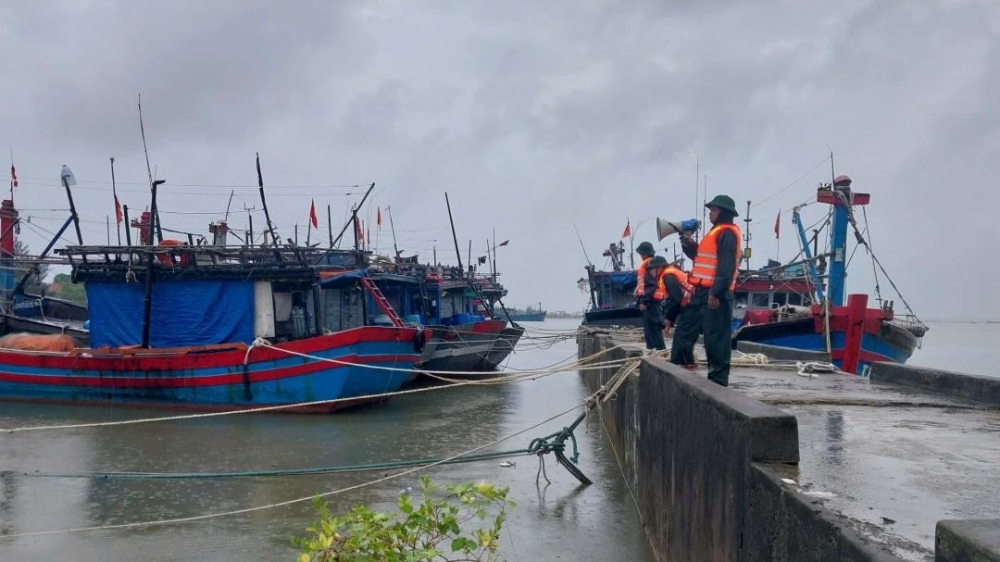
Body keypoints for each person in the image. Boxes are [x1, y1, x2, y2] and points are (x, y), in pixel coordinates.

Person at [670, 195, 742, 386]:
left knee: (716, 338)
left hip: (715, 294)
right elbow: (700, 257)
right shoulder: (714, 233)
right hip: (702, 292)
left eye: (714, 210)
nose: (710, 213)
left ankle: (718, 381)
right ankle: (680, 363)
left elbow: (726, 267)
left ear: (724, 213)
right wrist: (687, 243)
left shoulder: (727, 233)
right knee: (686, 328)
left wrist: (715, 292)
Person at [638, 255, 669, 350]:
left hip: (652, 304)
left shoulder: (648, 265)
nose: (651, 272)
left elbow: (650, 286)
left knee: (653, 331)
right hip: (655, 303)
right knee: (652, 331)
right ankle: (655, 351)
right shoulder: (651, 265)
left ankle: (658, 351)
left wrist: (644, 301)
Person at [658, 258, 692, 339]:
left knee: (681, 338)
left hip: (692, 306)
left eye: (651, 270)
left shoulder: (668, 277)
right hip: (690, 306)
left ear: (659, 268)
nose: (650, 273)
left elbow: (676, 299)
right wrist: (670, 320)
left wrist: (668, 319)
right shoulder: (669, 275)